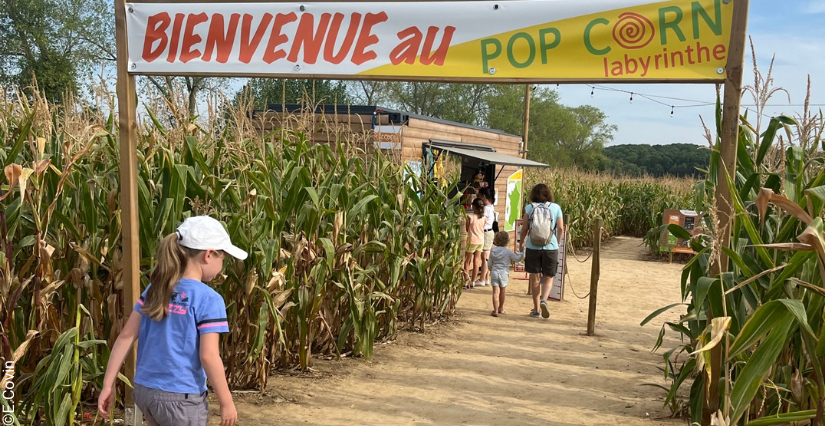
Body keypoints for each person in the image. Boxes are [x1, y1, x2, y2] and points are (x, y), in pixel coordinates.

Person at [98, 216, 247, 426]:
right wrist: (226, 401)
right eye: (223, 258)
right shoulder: (209, 299)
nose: (222, 265)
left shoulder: (155, 288)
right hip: (181, 399)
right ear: (209, 255)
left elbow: (126, 336)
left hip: (145, 392)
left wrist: (108, 384)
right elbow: (209, 355)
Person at [519, 184, 564, 319]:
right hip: (551, 246)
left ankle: (536, 308)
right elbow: (561, 228)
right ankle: (544, 299)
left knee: (535, 278)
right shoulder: (556, 207)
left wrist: (521, 243)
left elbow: (525, 228)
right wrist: (558, 241)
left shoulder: (529, 207)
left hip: (533, 247)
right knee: (549, 277)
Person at [487, 231, 524, 317]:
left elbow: (489, 264)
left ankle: (495, 310)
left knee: (495, 292)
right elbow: (517, 259)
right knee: (502, 291)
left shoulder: (492, 251)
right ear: (507, 241)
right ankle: (501, 308)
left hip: (495, 272)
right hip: (504, 273)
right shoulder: (508, 251)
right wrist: (521, 253)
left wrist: (491, 270)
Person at [464, 198, 486, 289]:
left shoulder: (469, 217)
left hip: (472, 240)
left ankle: (466, 281)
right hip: (480, 240)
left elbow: (467, 229)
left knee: (467, 261)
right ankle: (473, 281)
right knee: (477, 261)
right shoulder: (484, 218)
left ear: (474, 206)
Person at [476, 188, 496, 287]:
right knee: (486, 256)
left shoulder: (486, 208)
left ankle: (482, 279)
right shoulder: (491, 206)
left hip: (486, 232)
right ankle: (486, 278)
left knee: (485, 257)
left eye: (479, 196)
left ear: (483, 196)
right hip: (489, 232)